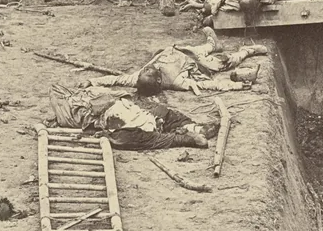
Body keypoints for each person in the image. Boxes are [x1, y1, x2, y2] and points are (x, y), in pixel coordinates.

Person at [86, 28, 267, 95]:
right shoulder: (176, 82)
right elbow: (209, 85)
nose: (147, 68)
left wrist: (92, 81)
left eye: (144, 71)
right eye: (149, 71)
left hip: (179, 51)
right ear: (158, 81)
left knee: (199, 48)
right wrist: (235, 86)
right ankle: (246, 51)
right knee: (225, 61)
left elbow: (116, 80)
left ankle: (212, 44)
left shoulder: (138, 78)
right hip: (199, 64)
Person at [49, 84, 217, 150]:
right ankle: (194, 129)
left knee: (166, 124)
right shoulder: (142, 126)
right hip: (139, 117)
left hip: (131, 123)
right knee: (167, 117)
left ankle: (193, 131)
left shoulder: (128, 134)